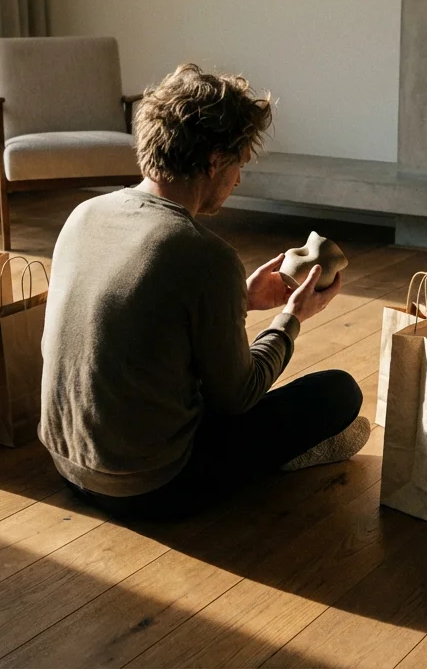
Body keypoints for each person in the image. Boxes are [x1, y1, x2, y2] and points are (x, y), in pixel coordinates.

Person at [39, 63, 371, 519]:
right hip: (148, 488)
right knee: (339, 392)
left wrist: (243, 298)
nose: (238, 180)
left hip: (68, 463)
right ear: (215, 161)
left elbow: (137, 322)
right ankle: (281, 462)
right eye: (239, 166)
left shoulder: (84, 214)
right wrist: (291, 319)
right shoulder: (204, 254)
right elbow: (238, 395)